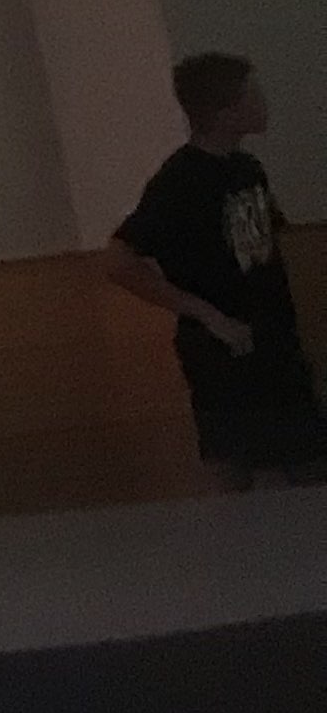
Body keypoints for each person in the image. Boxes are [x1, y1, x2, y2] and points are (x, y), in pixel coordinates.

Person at [107, 52, 327, 492]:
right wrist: (208, 316)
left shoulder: (248, 169)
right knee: (247, 471)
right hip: (225, 352)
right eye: (252, 96)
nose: (264, 103)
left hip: (274, 340)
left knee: (307, 461)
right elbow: (119, 261)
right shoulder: (180, 181)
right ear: (224, 112)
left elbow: (271, 249)